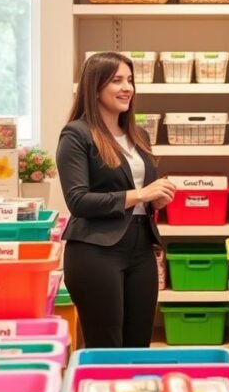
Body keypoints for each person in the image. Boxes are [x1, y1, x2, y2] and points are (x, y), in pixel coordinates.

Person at [56, 51, 176, 348]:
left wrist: (155, 199)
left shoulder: (140, 135)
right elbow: (78, 200)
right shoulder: (76, 134)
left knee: (139, 344)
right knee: (106, 344)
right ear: (95, 88)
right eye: (117, 80)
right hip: (95, 250)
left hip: (140, 248)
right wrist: (141, 194)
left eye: (130, 80)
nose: (127, 88)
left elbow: (143, 192)